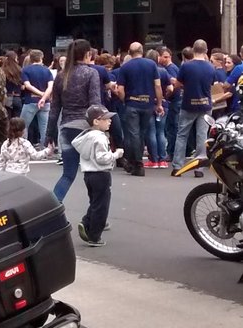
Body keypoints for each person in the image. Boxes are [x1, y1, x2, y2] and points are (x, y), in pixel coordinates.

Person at [46, 39, 101, 203]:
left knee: (68, 174)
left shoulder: (62, 76)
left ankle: (53, 207)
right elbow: (95, 104)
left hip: (67, 127)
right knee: (93, 174)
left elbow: (54, 108)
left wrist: (50, 133)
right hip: (86, 127)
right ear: (87, 54)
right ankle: (95, 216)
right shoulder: (91, 73)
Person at [72, 105, 125, 248]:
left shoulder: (86, 137)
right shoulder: (100, 138)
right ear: (96, 121)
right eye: (106, 119)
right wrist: (116, 155)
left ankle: (86, 222)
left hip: (88, 174)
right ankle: (94, 236)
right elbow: (102, 158)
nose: (110, 121)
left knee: (95, 202)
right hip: (101, 174)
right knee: (102, 205)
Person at [116, 42, 163, 176]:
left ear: (129, 53)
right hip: (147, 103)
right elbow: (158, 86)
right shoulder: (151, 65)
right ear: (142, 51)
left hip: (132, 103)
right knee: (141, 134)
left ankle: (136, 163)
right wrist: (158, 103)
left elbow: (120, 89)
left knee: (133, 134)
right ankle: (134, 162)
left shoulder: (126, 67)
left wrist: (125, 100)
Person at [171, 39, 217, 176]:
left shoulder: (186, 66)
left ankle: (177, 166)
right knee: (202, 136)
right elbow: (212, 84)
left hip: (188, 104)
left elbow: (178, 84)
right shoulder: (210, 67)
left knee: (182, 135)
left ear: (193, 49)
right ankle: (199, 168)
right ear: (206, 51)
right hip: (205, 105)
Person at [20, 49, 52, 144]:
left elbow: (28, 85)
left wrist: (40, 94)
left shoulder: (25, 70)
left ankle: (23, 148)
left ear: (30, 58)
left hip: (30, 100)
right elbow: (50, 87)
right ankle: (45, 150)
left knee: (23, 126)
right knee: (44, 128)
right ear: (42, 58)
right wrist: (44, 96)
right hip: (45, 102)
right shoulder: (47, 71)